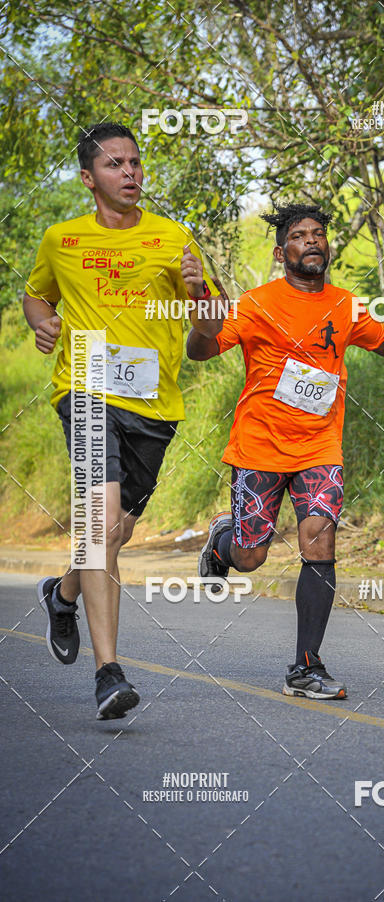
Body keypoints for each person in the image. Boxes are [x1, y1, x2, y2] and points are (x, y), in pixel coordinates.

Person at [187, 202, 384, 699]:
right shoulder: (257, 304)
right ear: (280, 252)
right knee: (250, 557)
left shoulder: (345, 304)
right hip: (260, 445)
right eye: (299, 235)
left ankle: (306, 667)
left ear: (327, 246)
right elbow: (201, 350)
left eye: (318, 233)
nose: (311, 240)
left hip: (320, 447)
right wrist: (203, 316)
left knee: (320, 544)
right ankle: (221, 541)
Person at [23, 122, 220, 719]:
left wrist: (199, 293)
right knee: (101, 523)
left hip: (153, 404)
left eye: (135, 162)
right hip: (84, 387)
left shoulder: (172, 236)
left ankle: (62, 594)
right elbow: (37, 294)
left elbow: (211, 330)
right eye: (115, 164)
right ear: (89, 178)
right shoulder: (61, 239)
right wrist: (41, 321)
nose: (130, 172)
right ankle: (108, 673)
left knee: (114, 533)